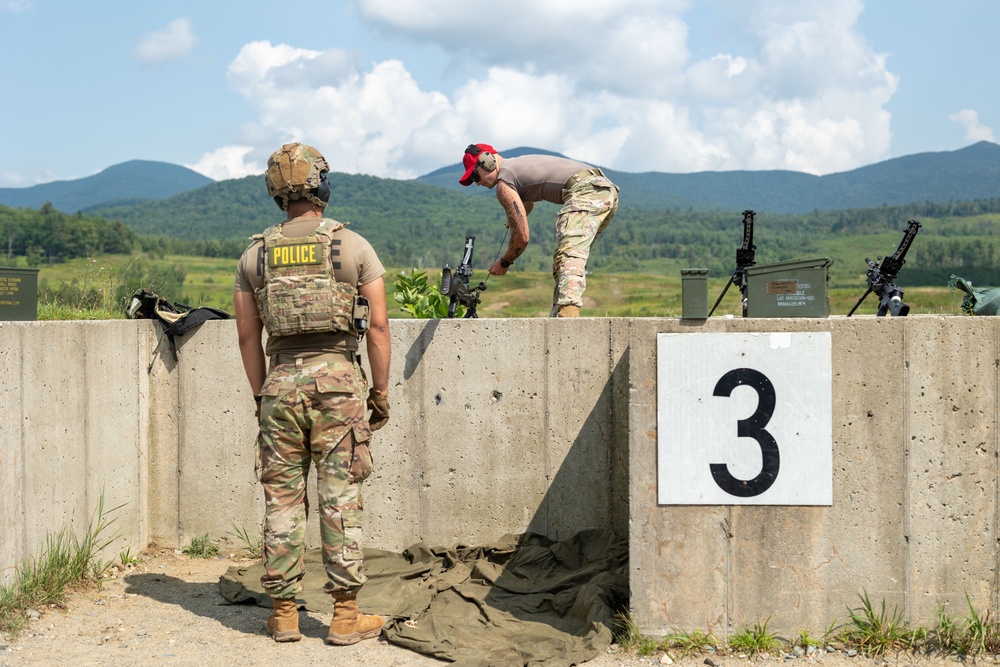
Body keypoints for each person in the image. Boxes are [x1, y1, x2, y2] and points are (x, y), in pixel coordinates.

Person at [233, 142, 392, 646]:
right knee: (340, 499)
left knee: (282, 499)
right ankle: (345, 616)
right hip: (340, 387)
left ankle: (283, 612)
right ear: (323, 185)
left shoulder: (254, 255)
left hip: (280, 387)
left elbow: (245, 337)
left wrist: (264, 396)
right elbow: (380, 329)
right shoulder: (354, 247)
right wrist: (380, 392)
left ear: (274, 192)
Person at [458, 144, 620, 317]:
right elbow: (528, 202)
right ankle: (559, 313)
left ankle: (568, 316)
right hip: (603, 190)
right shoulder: (514, 168)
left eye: (475, 175)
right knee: (567, 257)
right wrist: (516, 216)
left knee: (569, 254)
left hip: (586, 191)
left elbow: (522, 237)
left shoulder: (504, 183)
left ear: (487, 162)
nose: (477, 183)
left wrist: (505, 262)